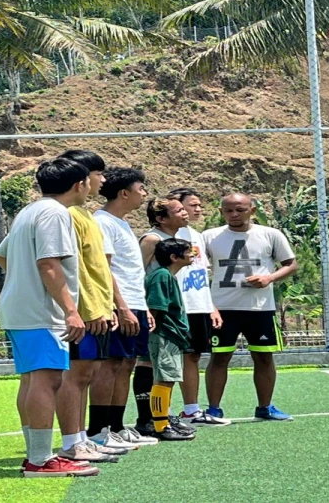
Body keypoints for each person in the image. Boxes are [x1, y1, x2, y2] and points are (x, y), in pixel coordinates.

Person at [0, 158, 99, 477]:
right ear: (79, 184)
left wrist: (20, 282)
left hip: (19, 308)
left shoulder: (30, 211)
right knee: (48, 379)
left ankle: (36, 455)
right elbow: (49, 265)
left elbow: (0, 255)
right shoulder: (56, 213)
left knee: (32, 379)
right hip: (41, 312)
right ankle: (40, 460)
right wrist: (70, 310)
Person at [53, 149, 125, 463]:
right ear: (82, 179)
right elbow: (75, 267)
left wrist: (107, 305)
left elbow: (97, 266)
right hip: (86, 310)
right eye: (98, 174)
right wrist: (88, 308)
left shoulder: (85, 214)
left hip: (99, 308)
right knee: (77, 376)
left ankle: (82, 438)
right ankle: (71, 442)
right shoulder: (67, 215)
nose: (103, 180)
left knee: (88, 374)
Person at [203, 193, 298, 422]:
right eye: (229, 211)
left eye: (240, 210)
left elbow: (291, 264)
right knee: (219, 358)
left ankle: (265, 408)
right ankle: (213, 410)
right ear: (221, 212)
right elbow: (199, 269)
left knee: (264, 358)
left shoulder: (270, 234)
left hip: (260, 308)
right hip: (222, 308)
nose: (234, 215)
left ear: (252, 210)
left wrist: (269, 278)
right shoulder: (209, 237)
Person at [90, 167, 160, 449]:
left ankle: (117, 427)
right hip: (121, 306)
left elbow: (131, 271)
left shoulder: (122, 223)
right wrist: (121, 307)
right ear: (124, 193)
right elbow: (105, 269)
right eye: (140, 188)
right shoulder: (103, 222)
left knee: (125, 365)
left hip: (135, 304)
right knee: (110, 366)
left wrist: (143, 307)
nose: (144, 194)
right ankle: (98, 430)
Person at [136, 198, 198, 438]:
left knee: (164, 374)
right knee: (157, 372)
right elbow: (138, 275)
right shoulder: (152, 241)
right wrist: (148, 315)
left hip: (169, 325)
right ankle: (152, 420)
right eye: (179, 209)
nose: (186, 212)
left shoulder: (169, 269)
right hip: (160, 327)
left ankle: (161, 417)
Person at [167, 188, 228, 427]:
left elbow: (202, 274)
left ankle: (191, 410)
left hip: (198, 306)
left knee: (193, 357)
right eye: (191, 205)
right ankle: (163, 413)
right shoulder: (165, 238)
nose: (197, 209)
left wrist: (210, 306)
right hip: (177, 308)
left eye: (198, 205)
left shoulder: (196, 235)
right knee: (169, 359)